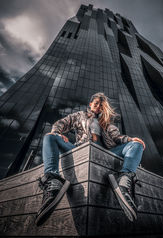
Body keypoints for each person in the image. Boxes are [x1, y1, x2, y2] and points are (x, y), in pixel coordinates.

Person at [35, 92, 145, 225]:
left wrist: (129, 139)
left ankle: (124, 179)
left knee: (136, 145)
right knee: (50, 137)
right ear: (90, 104)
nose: (98, 107)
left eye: (101, 105)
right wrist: (57, 133)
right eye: (96, 103)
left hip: (105, 153)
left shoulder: (107, 123)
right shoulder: (79, 116)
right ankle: (53, 182)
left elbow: (117, 138)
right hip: (80, 149)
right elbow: (62, 123)